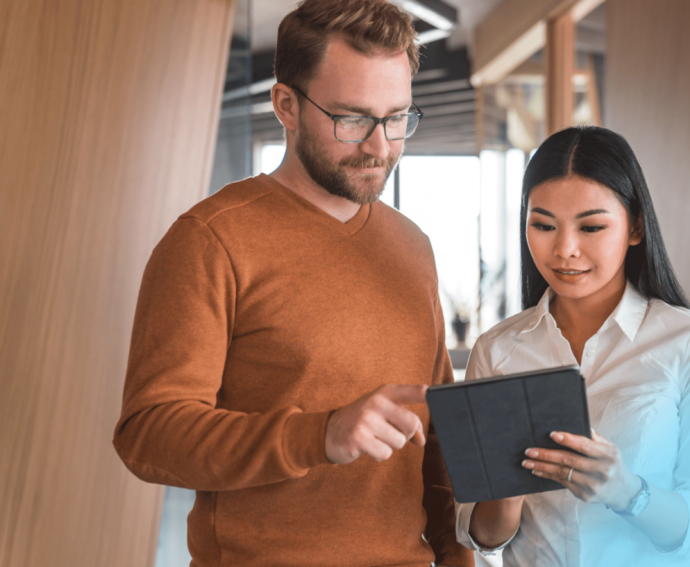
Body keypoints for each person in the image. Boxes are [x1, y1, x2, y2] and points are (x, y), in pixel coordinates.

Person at [112, 1, 472, 566]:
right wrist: (319, 436)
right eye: (352, 119)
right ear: (286, 105)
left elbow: (436, 436)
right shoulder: (210, 239)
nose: (380, 147)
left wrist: (457, 555)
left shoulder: (413, 247)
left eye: (397, 118)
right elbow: (148, 435)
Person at [455, 126, 690, 566]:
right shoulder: (496, 351)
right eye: (544, 225)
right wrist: (506, 495)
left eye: (591, 226)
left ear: (636, 227)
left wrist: (628, 492)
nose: (565, 249)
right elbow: (483, 537)